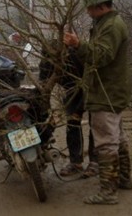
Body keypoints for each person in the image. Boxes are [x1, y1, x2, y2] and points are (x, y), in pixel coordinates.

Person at [63, 0, 132, 205]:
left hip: (106, 92)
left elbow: (101, 56)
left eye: (90, 8)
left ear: (100, 6)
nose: (87, 12)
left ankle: (108, 192)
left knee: (106, 143)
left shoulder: (111, 26)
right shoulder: (106, 23)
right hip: (111, 90)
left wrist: (78, 45)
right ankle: (123, 180)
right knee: (118, 137)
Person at [38, 41, 98, 178]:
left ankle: (95, 161)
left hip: (92, 89)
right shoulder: (46, 62)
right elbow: (44, 87)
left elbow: (89, 83)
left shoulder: (77, 56)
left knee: (95, 124)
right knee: (72, 124)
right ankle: (75, 163)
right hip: (71, 91)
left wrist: (79, 109)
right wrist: (46, 112)